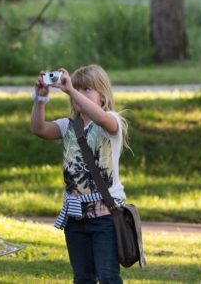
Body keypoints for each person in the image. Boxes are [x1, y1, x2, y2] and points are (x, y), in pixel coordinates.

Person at [30, 65, 129, 284]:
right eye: (78, 88)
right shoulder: (68, 126)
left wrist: (71, 90)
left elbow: (103, 120)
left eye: (86, 90)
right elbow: (39, 129)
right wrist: (40, 99)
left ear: (102, 98)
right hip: (75, 217)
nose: (78, 93)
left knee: (108, 277)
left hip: (105, 218)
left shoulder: (111, 122)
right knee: (82, 278)